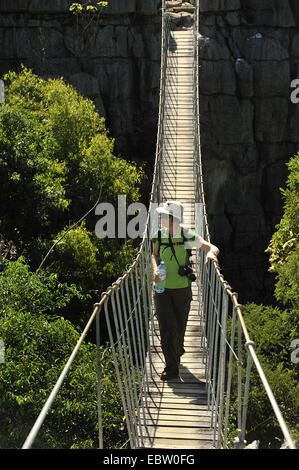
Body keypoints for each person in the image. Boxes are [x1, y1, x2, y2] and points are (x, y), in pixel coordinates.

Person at [151, 201, 219, 381]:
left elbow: (211, 246)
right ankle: (171, 368)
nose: (161, 218)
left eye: (164, 216)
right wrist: (155, 269)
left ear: (174, 218)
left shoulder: (187, 235)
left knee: (179, 329)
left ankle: (177, 349)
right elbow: (154, 255)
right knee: (167, 328)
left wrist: (212, 253)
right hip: (162, 289)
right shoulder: (158, 235)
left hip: (182, 289)